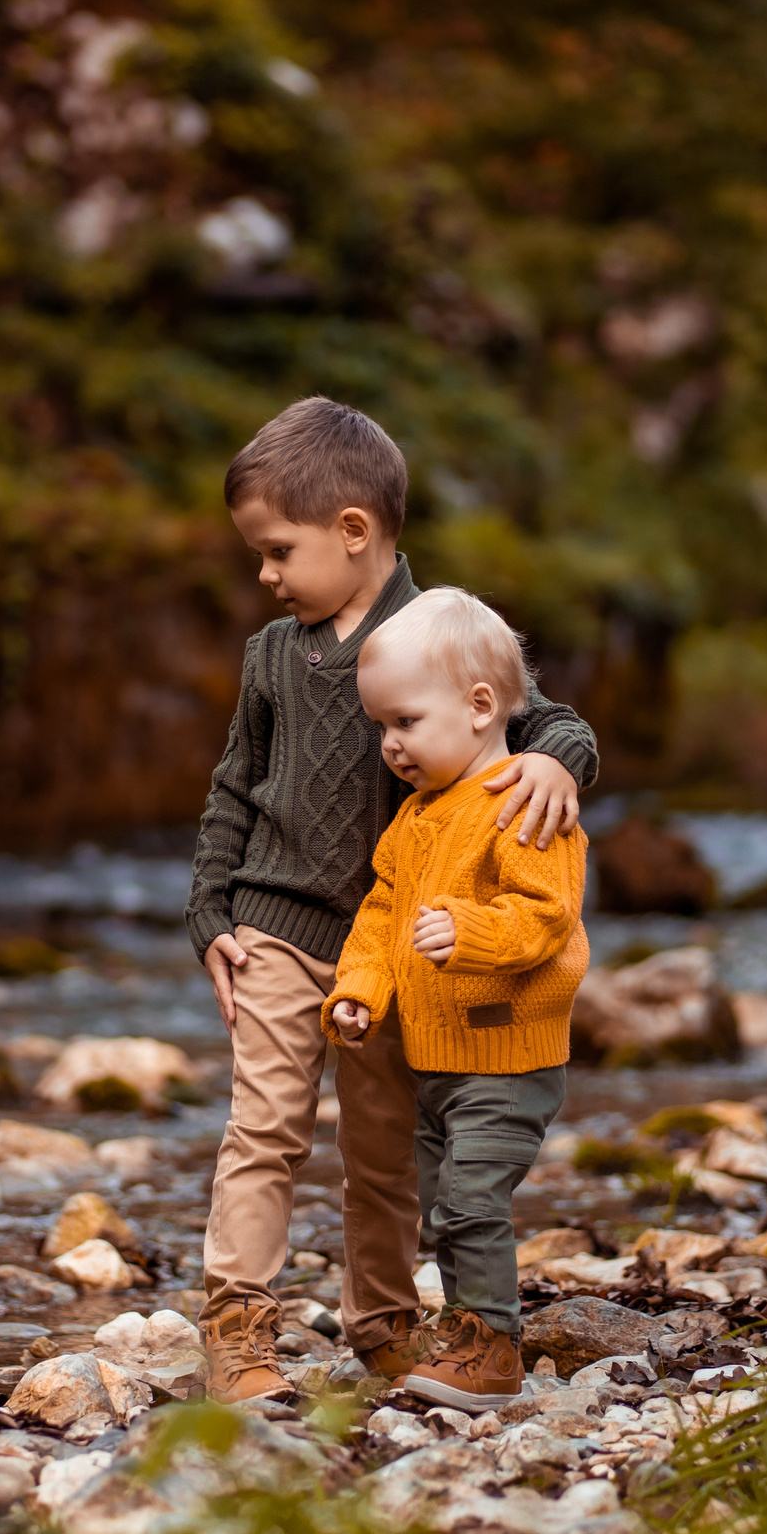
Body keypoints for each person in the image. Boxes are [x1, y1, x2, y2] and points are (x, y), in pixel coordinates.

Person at [185, 396, 599, 1402]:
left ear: (353, 531)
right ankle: (238, 1325)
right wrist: (210, 917)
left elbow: (539, 719)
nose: (265, 574)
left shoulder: (442, 634)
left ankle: (382, 1327)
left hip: (396, 950)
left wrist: (563, 767)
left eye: (277, 550)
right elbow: (234, 786)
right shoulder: (271, 657)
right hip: (275, 926)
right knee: (265, 1129)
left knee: (380, 1156)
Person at [325, 586, 589, 1411]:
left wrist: (468, 933)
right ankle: (469, 1328)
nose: (390, 744)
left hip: (506, 1058)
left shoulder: (525, 800)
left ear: (480, 706)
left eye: (405, 721)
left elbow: (547, 916)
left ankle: (492, 1351)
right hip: (432, 1060)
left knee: (472, 1198)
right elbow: (378, 916)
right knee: (443, 1207)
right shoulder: (413, 820)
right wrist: (359, 988)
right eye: (381, 728)